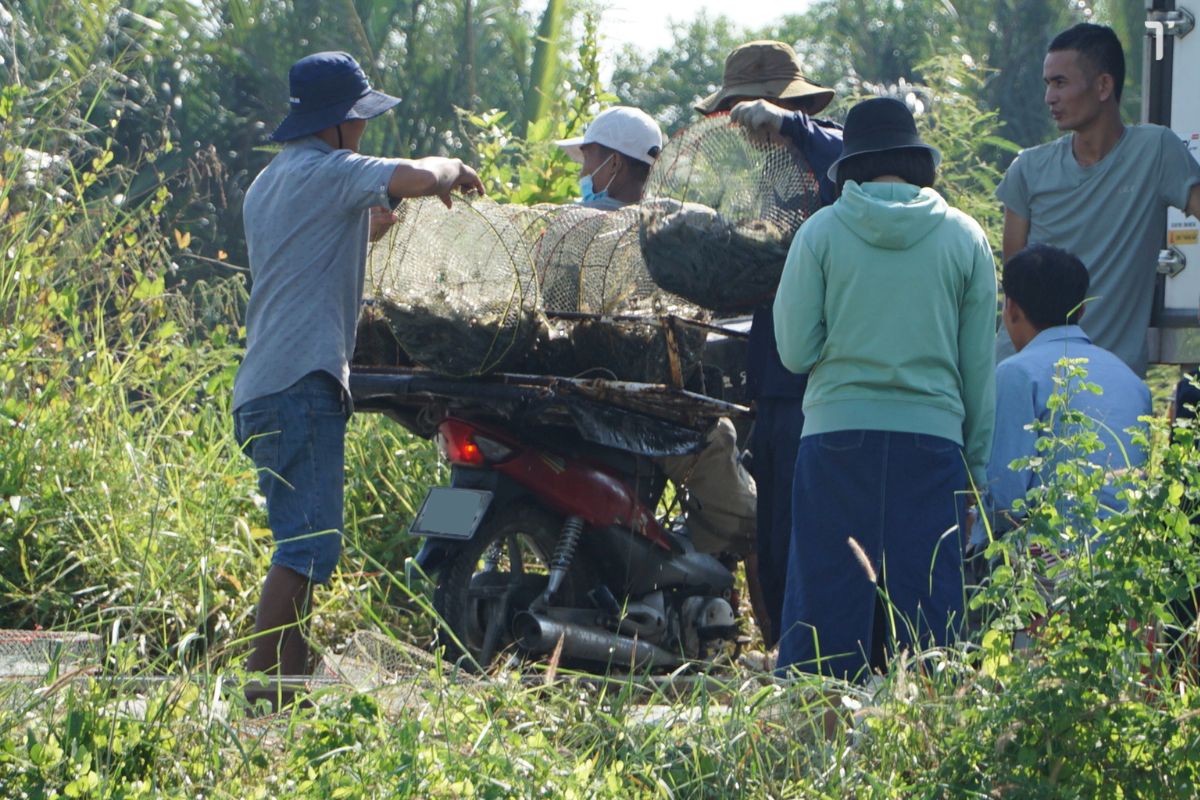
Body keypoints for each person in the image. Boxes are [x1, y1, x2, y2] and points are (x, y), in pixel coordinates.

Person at [233, 51, 484, 709]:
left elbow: (304, 251)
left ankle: (289, 694)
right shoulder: (332, 168)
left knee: (308, 542)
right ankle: (260, 695)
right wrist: (452, 169)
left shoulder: (271, 181)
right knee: (307, 544)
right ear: (339, 124)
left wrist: (366, 232)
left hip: (263, 382)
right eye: (362, 120)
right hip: (302, 381)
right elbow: (416, 176)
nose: (366, 132)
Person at [772, 97, 996, 680]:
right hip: (934, 446)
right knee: (932, 625)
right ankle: (928, 755)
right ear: (917, 160)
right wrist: (974, 471)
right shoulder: (966, 238)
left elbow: (795, 352)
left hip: (836, 442)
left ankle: (810, 758)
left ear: (850, 164)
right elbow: (979, 370)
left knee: (823, 614)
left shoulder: (820, 233)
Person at [556, 108, 760, 570]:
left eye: (589, 162)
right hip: (632, 400)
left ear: (617, 164)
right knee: (720, 458)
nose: (585, 174)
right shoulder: (670, 233)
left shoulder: (564, 225)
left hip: (566, 385)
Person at [693, 40, 844, 648]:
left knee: (812, 527)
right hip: (773, 379)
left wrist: (791, 123)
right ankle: (784, 655)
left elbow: (851, 153)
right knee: (773, 529)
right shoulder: (772, 178)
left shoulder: (827, 151)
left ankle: (818, 655)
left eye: (749, 114)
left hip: (821, 382)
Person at [996, 23, 1200, 376]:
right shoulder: (1028, 169)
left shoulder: (1156, 151)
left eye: (1060, 82)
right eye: (1048, 85)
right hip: (1027, 376)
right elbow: (1015, 287)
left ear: (1104, 85)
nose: (1049, 98)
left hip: (1110, 382)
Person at [985, 244, 1151, 540]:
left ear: (1010, 308)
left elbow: (1006, 500)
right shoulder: (1131, 380)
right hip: (1127, 552)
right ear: (1082, 309)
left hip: (1052, 560)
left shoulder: (1017, 374)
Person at [556, 106, 663, 210]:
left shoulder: (580, 220)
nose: (582, 173)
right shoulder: (665, 220)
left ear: (614, 163)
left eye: (586, 158)